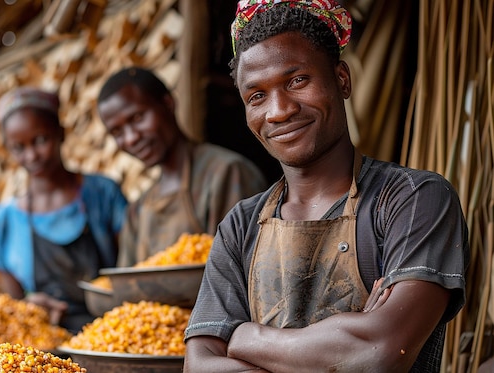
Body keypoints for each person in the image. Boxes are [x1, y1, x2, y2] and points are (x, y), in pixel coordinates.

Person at [183, 1, 470, 372]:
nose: (279, 110)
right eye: (257, 96)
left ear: (342, 79)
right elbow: (198, 365)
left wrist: (243, 339)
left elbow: (377, 355)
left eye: (297, 81)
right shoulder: (240, 225)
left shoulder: (412, 200)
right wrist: (340, 345)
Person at [0, 87, 127, 333]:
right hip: (46, 347)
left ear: (60, 133)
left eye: (41, 140)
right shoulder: (3, 221)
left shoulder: (102, 193)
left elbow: (132, 264)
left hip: (113, 333)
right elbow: (15, 305)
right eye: (19, 147)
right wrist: (30, 306)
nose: (32, 155)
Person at [97, 67, 268, 267]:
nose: (131, 138)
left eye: (137, 118)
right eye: (117, 132)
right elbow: (128, 286)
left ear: (168, 103)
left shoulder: (226, 173)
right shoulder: (137, 211)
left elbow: (240, 272)